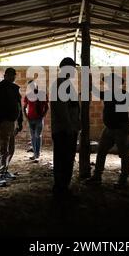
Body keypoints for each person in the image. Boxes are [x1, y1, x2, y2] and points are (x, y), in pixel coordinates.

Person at [87, 73, 129, 188]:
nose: (109, 84)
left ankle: (123, 180)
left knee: (123, 154)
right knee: (101, 151)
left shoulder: (124, 94)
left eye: (111, 82)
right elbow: (93, 90)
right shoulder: (107, 94)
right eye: (108, 82)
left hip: (120, 129)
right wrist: (89, 77)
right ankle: (97, 176)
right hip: (109, 129)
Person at [0, 67, 23, 187]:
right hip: (1, 123)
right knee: (1, 149)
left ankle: (5, 170)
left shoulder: (14, 89)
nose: (12, 77)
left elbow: (19, 107)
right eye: (10, 74)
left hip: (11, 122)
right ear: (5, 75)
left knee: (10, 149)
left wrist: (20, 121)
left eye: (14, 75)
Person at [50, 57, 81, 198]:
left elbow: (71, 107)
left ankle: (63, 186)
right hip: (64, 130)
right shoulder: (60, 84)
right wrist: (70, 127)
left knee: (66, 158)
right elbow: (61, 109)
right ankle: (61, 187)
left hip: (67, 129)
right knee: (64, 159)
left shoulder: (66, 84)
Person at [23, 80, 49, 163]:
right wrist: (26, 117)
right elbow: (24, 107)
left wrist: (43, 116)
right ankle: (35, 154)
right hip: (31, 119)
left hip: (38, 119)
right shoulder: (28, 95)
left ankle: (37, 155)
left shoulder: (42, 94)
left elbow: (47, 107)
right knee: (33, 137)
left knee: (37, 136)